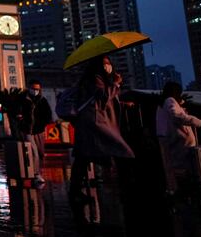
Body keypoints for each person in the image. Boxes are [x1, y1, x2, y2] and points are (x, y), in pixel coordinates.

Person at [68, 55, 134, 204]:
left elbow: (108, 101)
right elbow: (103, 97)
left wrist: (122, 103)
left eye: (109, 62)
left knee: (83, 158)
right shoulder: (94, 78)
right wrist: (116, 84)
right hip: (95, 123)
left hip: (93, 122)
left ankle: (75, 191)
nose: (108, 66)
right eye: (105, 63)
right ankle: (128, 188)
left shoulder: (100, 79)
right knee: (123, 151)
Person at [156, 81, 201, 192]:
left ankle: (175, 189)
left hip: (170, 138)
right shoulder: (169, 101)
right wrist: (197, 121)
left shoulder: (163, 103)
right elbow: (177, 116)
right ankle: (181, 190)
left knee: (172, 167)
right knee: (181, 168)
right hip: (178, 140)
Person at [19, 79, 53, 185]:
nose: (35, 91)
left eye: (37, 89)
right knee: (34, 153)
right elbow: (18, 112)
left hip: (39, 131)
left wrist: (43, 124)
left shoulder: (42, 100)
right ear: (29, 88)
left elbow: (48, 115)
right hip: (28, 131)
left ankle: (37, 172)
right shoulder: (23, 100)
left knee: (41, 153)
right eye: (33, 89)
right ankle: (35, 174)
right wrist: (22, 120)